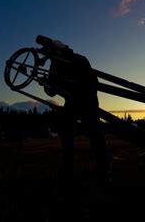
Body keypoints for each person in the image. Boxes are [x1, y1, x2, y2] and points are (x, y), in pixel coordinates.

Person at [38, 36, 110, 185]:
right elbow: (52, 91)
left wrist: (84, 98)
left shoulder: (79, 60)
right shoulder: (55, 64)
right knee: (67, 136)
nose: (51, 58)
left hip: (87, 102)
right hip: (71, 103)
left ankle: (103, 170)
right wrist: (45, 84)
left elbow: (93, 84)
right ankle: (68, 170)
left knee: (95, 136)